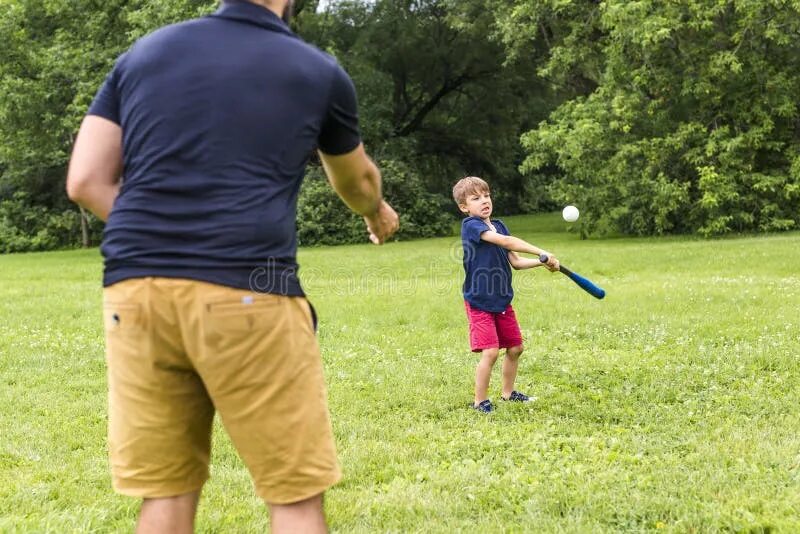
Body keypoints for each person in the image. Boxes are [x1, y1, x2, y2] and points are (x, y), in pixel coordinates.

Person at [66, 0, 399, 532]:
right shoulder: (314, 70)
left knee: (166, 494)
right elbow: (355, 181)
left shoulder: (144, 54)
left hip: (135, 293)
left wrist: (162, 233)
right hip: (248, 289)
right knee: (294, 498)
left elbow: (85, 180)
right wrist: (377, 213)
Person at [452, 176, 558, 413]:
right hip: (480, 301)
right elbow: (504, 241)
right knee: (490, 351)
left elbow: (517, 262)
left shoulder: (499, 225)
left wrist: (541, 263)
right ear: (464, 207)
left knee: (515, 348)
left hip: (501, 300)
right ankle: (480, 402)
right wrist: (542, 251)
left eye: (486, 195)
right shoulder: (471, 226)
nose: (484, 201)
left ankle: (508, 394)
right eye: (476, 198)